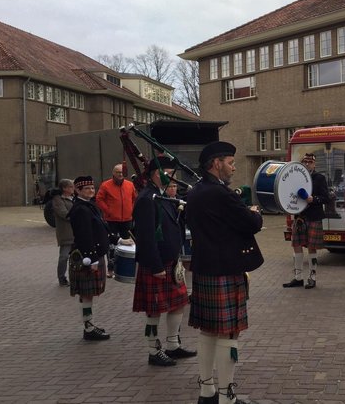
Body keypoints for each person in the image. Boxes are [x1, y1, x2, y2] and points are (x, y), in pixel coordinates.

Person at [186, 141, 263, 404]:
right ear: (216, 163)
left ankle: (206, 391)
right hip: (226, 269)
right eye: (230, 162)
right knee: (229, 333)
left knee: (207, 331)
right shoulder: (221, 194)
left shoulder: (195, 192)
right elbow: (250, 223)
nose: (233, 166)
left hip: (205, 268)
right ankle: (226, 396)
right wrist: (254, 212)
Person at [132, 156, 196, 367]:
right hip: (157, 264)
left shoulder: (162, 197)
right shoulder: (146, 199)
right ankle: (153, 350)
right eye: (168, 174)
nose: (172, 178)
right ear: (156, 174)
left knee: (178, 305)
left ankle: (172, 345)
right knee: (154, 310)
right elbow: (145, 236)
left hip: (171, 260)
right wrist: (156, 265)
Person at [69, 175, 114, 341]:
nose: (91, 190)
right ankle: (88, 328)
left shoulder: (89, 205)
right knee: (87, 293)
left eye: (93, 188)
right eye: (87, 188)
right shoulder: (80, 209)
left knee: (88, 294)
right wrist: (92, 258)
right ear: (78, 190)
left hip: (94, 255)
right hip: (88, 257)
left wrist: (116, 238)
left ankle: (89, 325)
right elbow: (84, 235)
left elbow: (100, 227)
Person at [283, 153, 329, 290]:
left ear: (314, 164)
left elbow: (325, 198)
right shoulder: (296, 178)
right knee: (296, 245)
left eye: (310, 162)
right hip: (299, 217)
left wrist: (313, 199)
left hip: (314, 216)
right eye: (305, 161)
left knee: (311, 247)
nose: (307, 163)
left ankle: (312, 277)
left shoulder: (319, 178)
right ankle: (298, 278)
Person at [95, 163, 137, 278]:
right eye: (118, 172)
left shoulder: (130, 185)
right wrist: (107, 210)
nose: (120, 174)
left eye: (122, 172)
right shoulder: (105, 185)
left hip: (127, 219)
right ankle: (111, 269)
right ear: (113, 173)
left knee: (128, 243)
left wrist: (132, 210)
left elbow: (134, 198)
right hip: (111, 220)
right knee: (112, 245)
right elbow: (99, 199)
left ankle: (126, 267)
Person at [52, 178, 75, 286]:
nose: (73, 188)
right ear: (64, 188)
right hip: (66, 232)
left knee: (76, 256)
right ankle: (62, 278)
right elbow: (64, 214)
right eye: (71, 186)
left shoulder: (74, 198)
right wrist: (78, 215)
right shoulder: (58, 200)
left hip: (77, 232)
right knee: (64, 257)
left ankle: (76, 276)